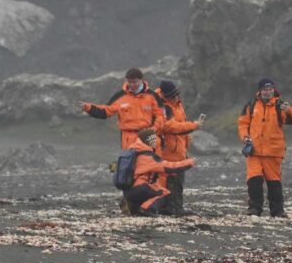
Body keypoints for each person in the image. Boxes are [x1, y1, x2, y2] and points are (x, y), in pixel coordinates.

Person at [236, 77, 292, 216]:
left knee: (274, 183)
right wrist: (245, 137)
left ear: (273, 90)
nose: (268, 92)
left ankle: (277, 211)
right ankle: (254, 209)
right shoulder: (251, 105)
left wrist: (289, 110)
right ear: (260, 91)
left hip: (273, 151)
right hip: (254, 150)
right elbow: (243, 124)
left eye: (270, 89)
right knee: (254, 181)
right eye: (265, 89)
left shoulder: (280, 105)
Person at [152, 79, 204, 215]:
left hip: (179, 149)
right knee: (170, 181)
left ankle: (175, 207)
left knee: (177, 181)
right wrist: (194, 125)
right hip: (168, 151)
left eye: (175, 95)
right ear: (164, 95)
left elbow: (180, 126)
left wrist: (186, 147)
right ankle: (172, 209)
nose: (175, 98)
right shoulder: (162, 106)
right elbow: (169, 126)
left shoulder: (177, 104)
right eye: (171, 96)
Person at [81, 67, 161, 150]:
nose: (132, 85)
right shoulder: (120, 96)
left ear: (141, 80)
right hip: (128, 138)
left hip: (147, 136)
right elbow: (105, 111)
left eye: (135, 82)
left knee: (149, 162)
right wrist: (89, 108)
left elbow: (161, 115)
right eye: (129, 82)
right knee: (129, 162)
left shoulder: (152, 96)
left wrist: (154, 129)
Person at [124, 127, 195, 216]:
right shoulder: (147, 157)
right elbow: (167, 167)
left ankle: (132, 206)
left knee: (151, 188)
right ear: (148, 141)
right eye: (153, 139)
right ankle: (145, 209)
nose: (155, 142)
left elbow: (114, 168)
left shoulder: (132, 152)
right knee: (164, 193)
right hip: (140, 187)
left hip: (128, 189)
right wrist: (189, 163)